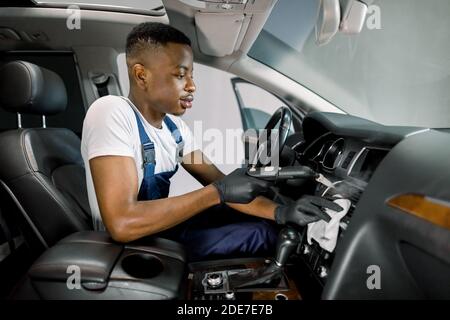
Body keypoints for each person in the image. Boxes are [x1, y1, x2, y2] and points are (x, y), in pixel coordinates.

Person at [81, 22, 341, 261]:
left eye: (192, 75)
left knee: (259, 221)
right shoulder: (112, 111)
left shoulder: (175, 129)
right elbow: (122, 224)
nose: (192, 86)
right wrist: (218, 192)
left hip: (158, 230)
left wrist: (283, 212)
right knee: (261, 235)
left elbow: (221, 185)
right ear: (141, 76)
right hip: (131, 247)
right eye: (181, 75)